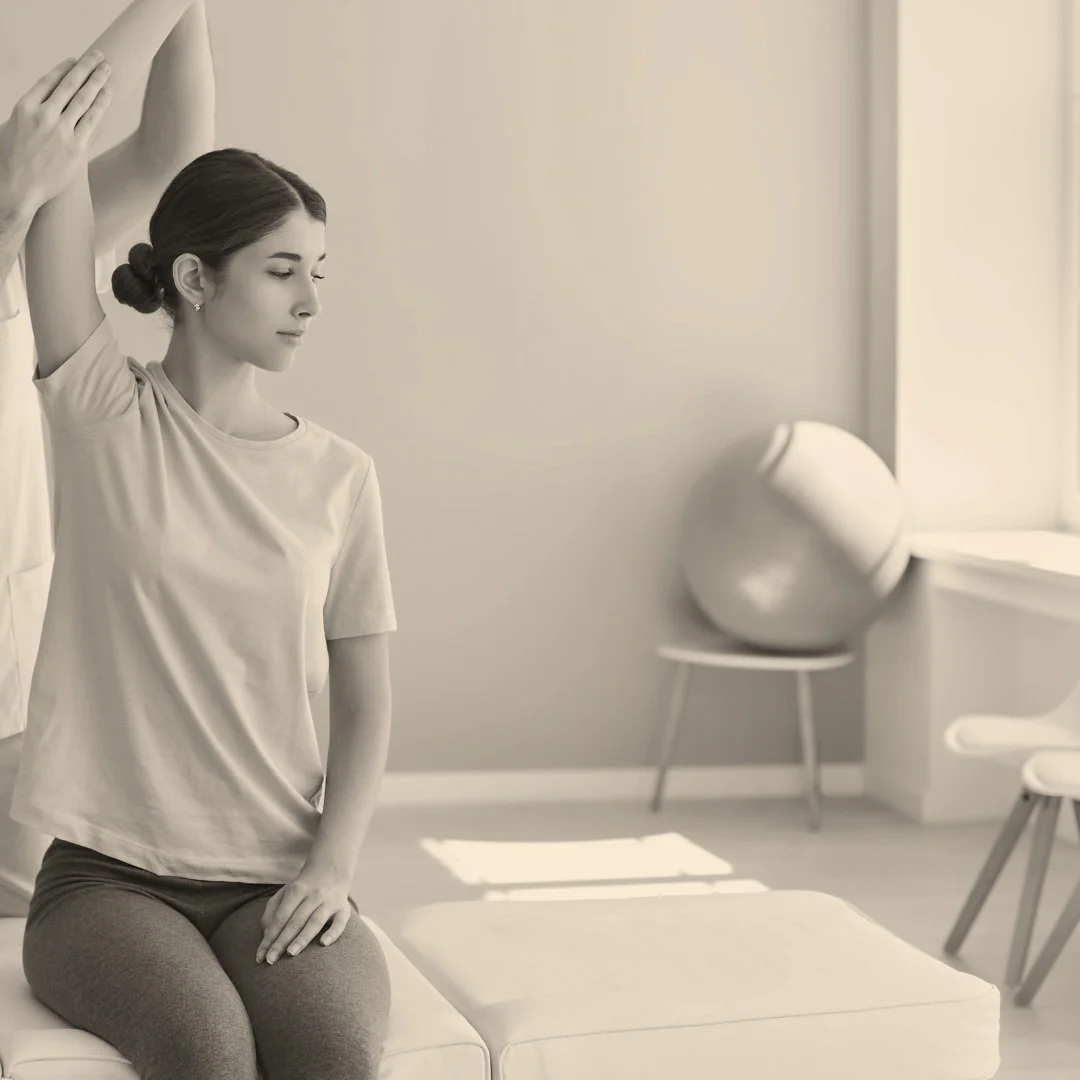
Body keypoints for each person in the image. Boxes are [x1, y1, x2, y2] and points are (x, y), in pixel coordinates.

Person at [4, 3, 397, 1079]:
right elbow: (53, 149)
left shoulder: (340, 477)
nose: (313, 298)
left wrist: (332, 867)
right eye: (281, 269)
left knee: (331, 1051)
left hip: (278, 873)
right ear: (192, 279)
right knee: (206, 1048)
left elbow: (365, 701)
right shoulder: (97, 413)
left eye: (320, 268)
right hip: (105, 883)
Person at [0, 0, 216, 912]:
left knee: (33, 927)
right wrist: (14, 194)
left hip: (17, 657)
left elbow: (172, 154)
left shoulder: (28, 205)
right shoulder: (13, 193)